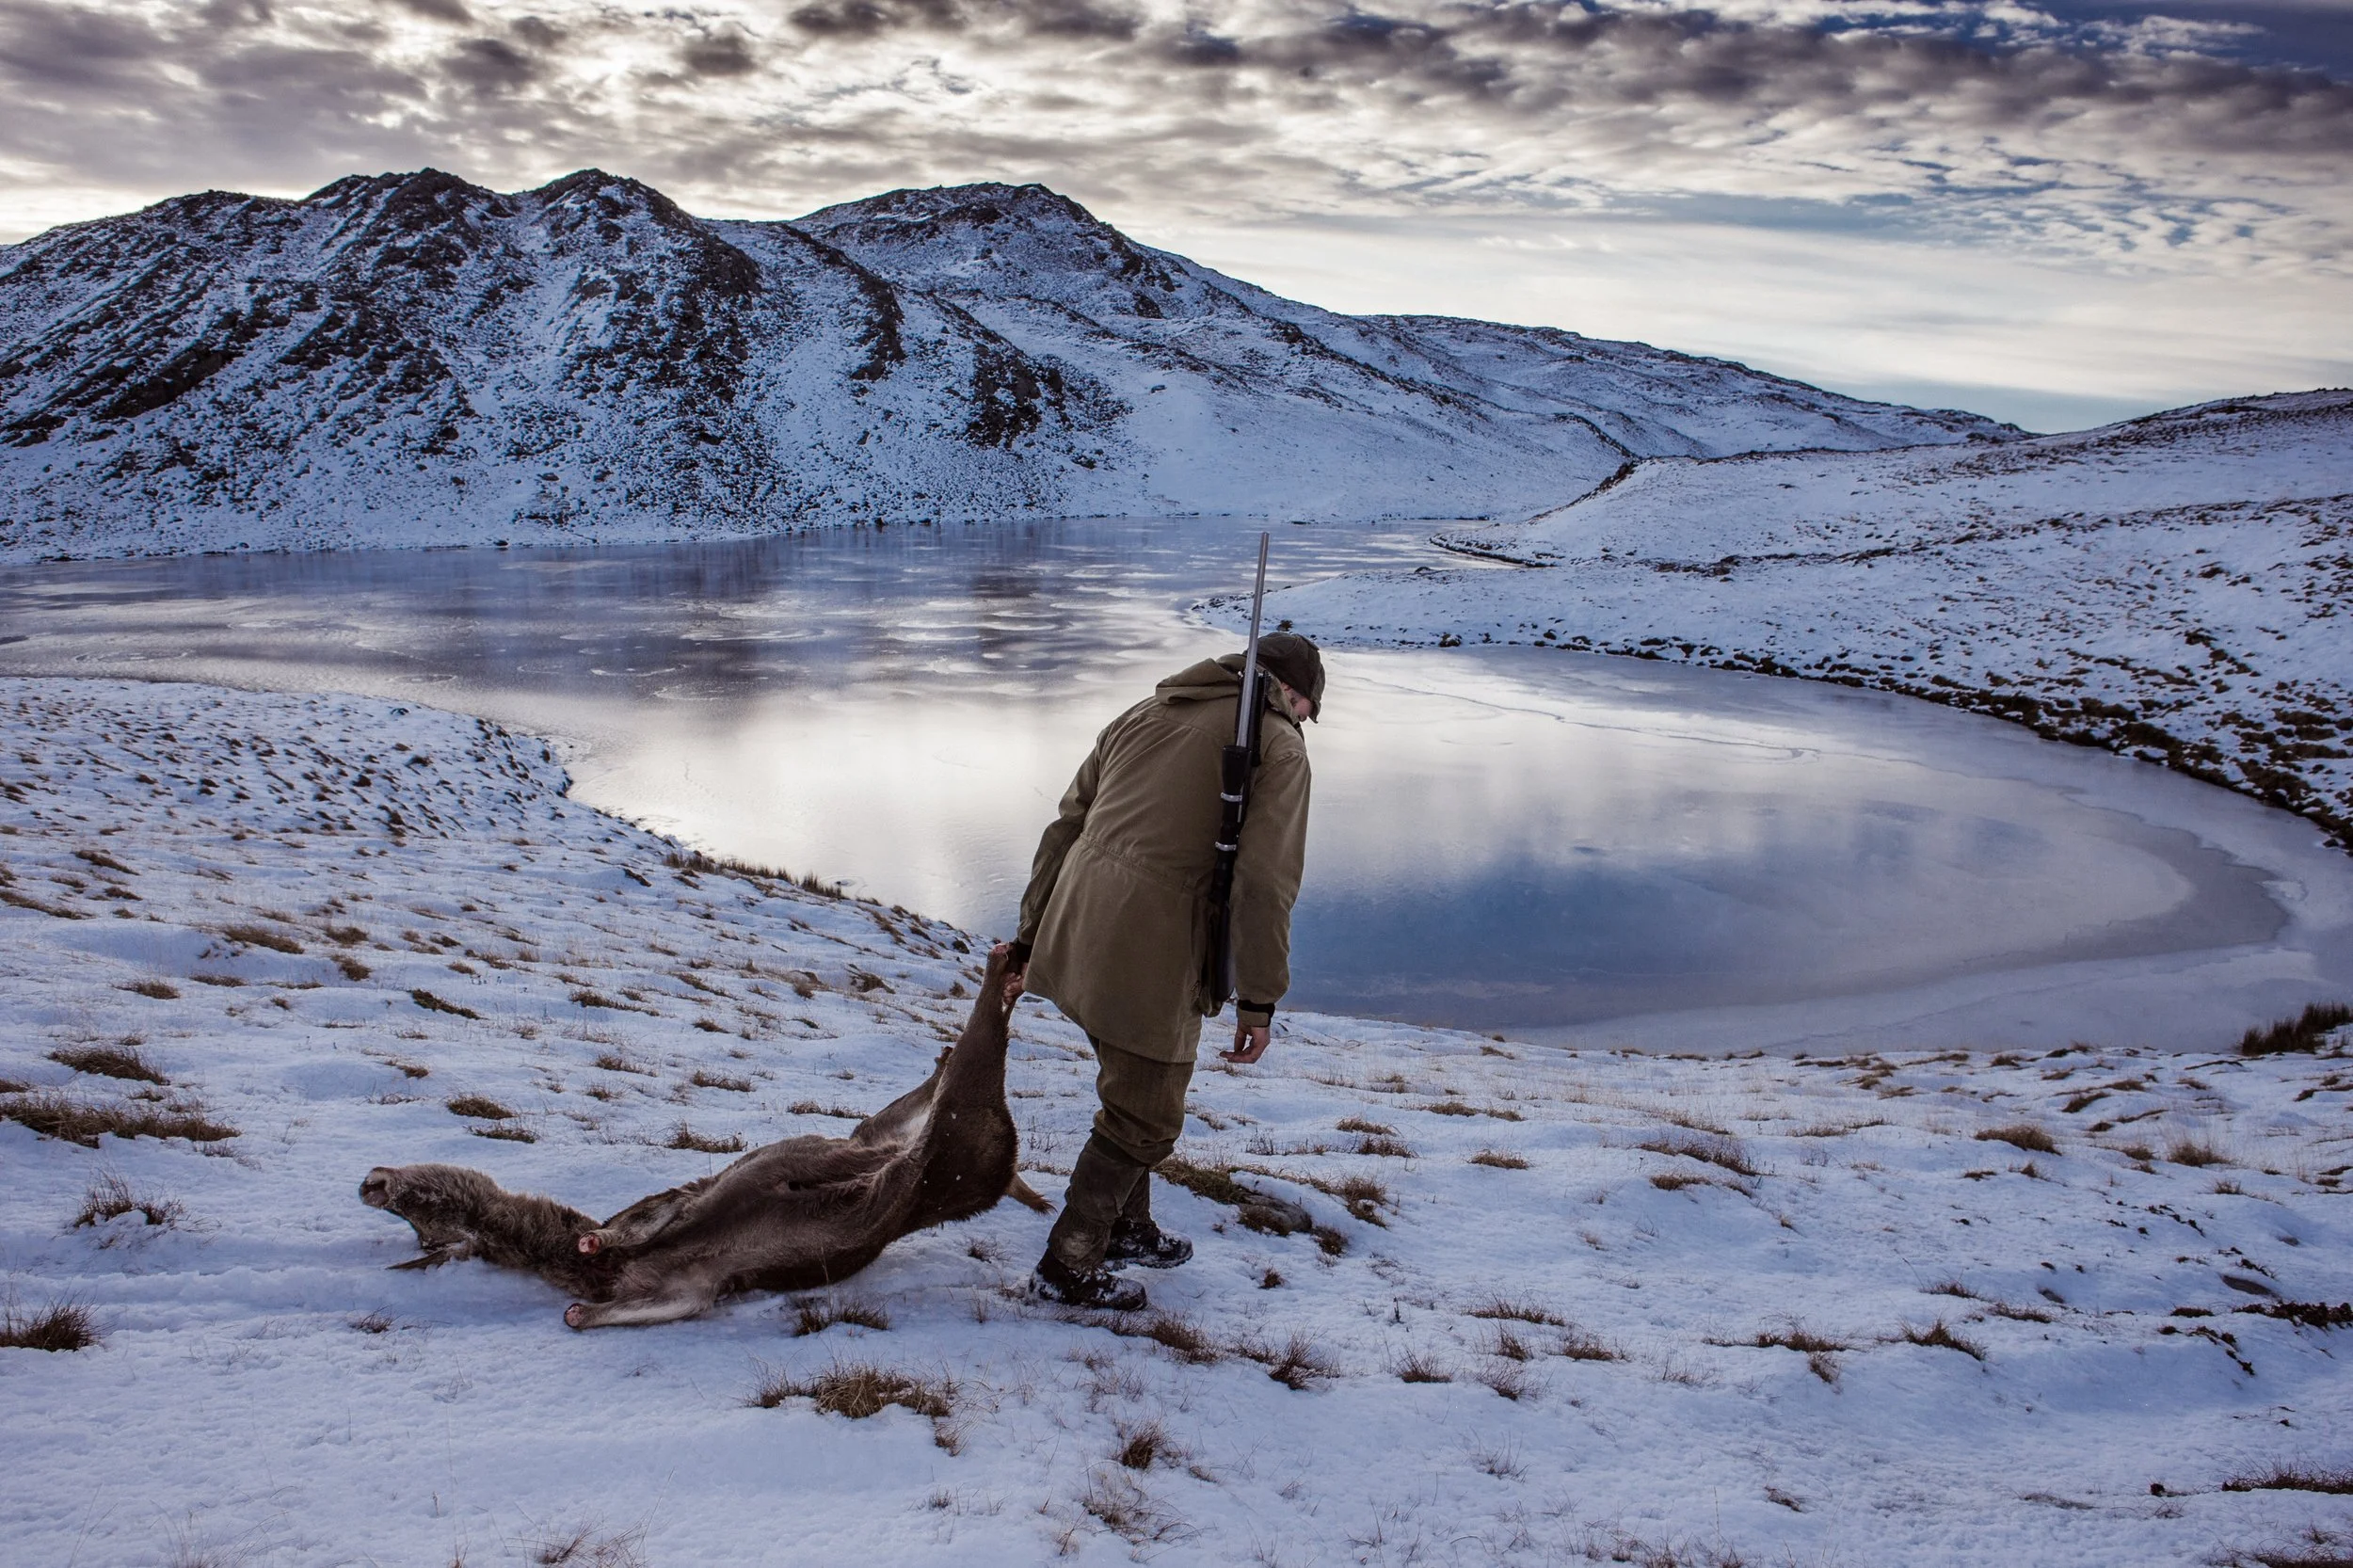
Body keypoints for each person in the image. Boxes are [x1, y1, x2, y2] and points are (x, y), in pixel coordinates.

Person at [1006, 632, 1322, 1310]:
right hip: (1149, 945)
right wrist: (1259, 1001)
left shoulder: (1150, 709)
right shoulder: (1280, 746)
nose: (1300, 721)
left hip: (1076, 926)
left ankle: (1127, 1226)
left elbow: (1066, 824)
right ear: (1294, 695)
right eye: (1304, 708)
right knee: (1146, 1115)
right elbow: (1266, 885)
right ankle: (1071, 1261)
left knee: (1128, 1087)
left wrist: (1033, 935)